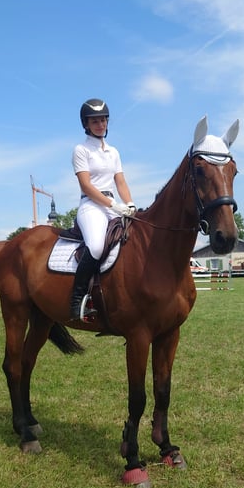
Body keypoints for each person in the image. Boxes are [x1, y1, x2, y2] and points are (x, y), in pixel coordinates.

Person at [70, 98, 136, 321]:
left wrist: (130, 204)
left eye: (103, 120)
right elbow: (86, 186)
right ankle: (77, 301)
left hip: (114, 205)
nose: (100, 124)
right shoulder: (81, 150)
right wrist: (113, 205)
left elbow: (121, 183)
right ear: (86, 124)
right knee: (97, 246)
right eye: (94, 121)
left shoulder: (113, 152)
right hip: (91, 205)